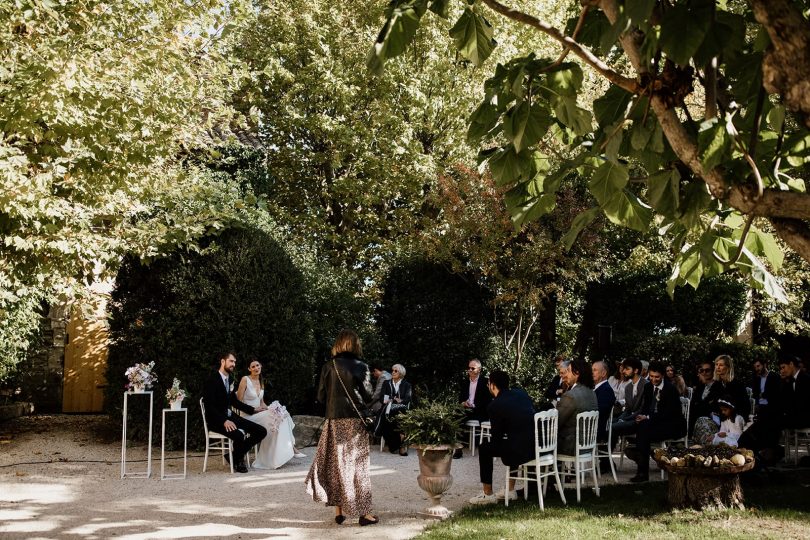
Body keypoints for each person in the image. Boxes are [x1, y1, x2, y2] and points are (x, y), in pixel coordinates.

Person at [305, 329, 378, 526]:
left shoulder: (328, 366)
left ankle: (339, 512)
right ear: (355, 344)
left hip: (333, 421)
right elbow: (369, 396)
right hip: (354, 422)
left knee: (336, 465)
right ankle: (364, 514)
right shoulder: (361, 366)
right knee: (358, 466)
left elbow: (320, 397)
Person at [468, 370, 535, 504]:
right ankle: (510, 490)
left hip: (519, 452)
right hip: (533, 447)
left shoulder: (495, 405)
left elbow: (496, 438)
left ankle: (487, 494)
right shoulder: (521, 394)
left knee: (485, 447)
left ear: (492, 385)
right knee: (513, 439)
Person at [201, 351, 267, 473]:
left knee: (261, 431)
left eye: (235, 362)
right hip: (217, 420)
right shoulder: (212, 380)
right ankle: (239, 461)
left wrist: (253, 410)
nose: (233, 364)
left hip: (230, 416)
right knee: (239, 435)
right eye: (231, 361)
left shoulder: (229, 379)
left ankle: (233, 456)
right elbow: (209, 406)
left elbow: (234, 402)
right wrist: (224, 421)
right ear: (223, 361)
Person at [236, 357, 305, 469]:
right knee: (274, 417)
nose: (256, 368)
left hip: (259, 413)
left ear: (261, 366)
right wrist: (253, 410)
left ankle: (288, 449)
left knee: (283, 413)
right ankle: (287, 451)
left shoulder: (261, 381)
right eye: (253, 366)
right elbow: (238, 402)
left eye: (257, 365)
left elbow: (262, 402)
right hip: (248, 416)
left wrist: (272, 408)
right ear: (249, 369)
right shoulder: (245, 379)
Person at [627, 361, 687, 482]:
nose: (654, 379)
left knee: (643, 432)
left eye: (657, 377)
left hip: (672, 424)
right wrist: (642, 416)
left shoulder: (670, 389)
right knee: (641, 427)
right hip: (655, 423)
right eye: (652, 376)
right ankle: (642, 462)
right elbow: (646, 407)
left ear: (663, 376)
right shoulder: (648, 387)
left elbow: (669, 413)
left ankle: (642, 467)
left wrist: (648, 418)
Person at [693, 354, 750, 445]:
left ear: (728, 367)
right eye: (716, 365)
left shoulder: (737, 384)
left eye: (721, 365)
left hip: (734, 421)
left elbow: (745, 406)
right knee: (701, 420)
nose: (718, 367)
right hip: (719, 418)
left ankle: (712, 448)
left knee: (704, 423)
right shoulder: (718, 384)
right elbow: (708, 402)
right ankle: (707, 449)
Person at [556, 359, 598, 456]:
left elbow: (556, 422)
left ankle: (542, 470)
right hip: (587, 444)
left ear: (577, 373)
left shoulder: (570, 396)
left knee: (536, 440)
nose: (567, 374)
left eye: (569, 371)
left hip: (570, 446)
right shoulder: (592, 393)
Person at [455, 358, 491, 458]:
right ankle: (458, 449)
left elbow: (488, 401)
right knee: (456, 416)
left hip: (480, 410)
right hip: (467, 409)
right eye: (469, 368)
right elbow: (461, 398)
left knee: (461, 416)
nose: (470, 370)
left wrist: (474, 405)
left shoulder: (485, 382)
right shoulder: (465, 382)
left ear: (479, 369)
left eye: (473, 368)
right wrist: (463, 403)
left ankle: (483, 448)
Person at [611, 358, 652, 441]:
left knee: (612, 427)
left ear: (636, 370)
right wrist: (621, 419)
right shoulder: (628, 387)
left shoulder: (647, 385)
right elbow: (627, 410)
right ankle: (607, 451)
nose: (623, 371)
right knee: (608, 424)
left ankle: (608, 450)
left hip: (641, 420)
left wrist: (624, 420)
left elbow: (642, 409)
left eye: (627, 369)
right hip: (630, 418)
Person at [377, 363, 412, 456]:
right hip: (387, 408)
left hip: (401, 409)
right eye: (392, 370)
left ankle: (399, 444)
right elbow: (381, 397)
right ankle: (400, 444)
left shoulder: (407, 385)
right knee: (389, 417)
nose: (393, 372)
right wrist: (390, 400)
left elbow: (408, 399)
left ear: (401, 373)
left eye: (395, 371)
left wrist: (400, 400)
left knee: (399, 413)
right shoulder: (386, 383)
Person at [592, 361, 616, 444]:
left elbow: (600, 412)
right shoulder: (596, 388)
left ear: (603, 373)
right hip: (590, 427)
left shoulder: (606, 390)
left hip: (596, 431)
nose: (592, 373)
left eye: (595, 370)